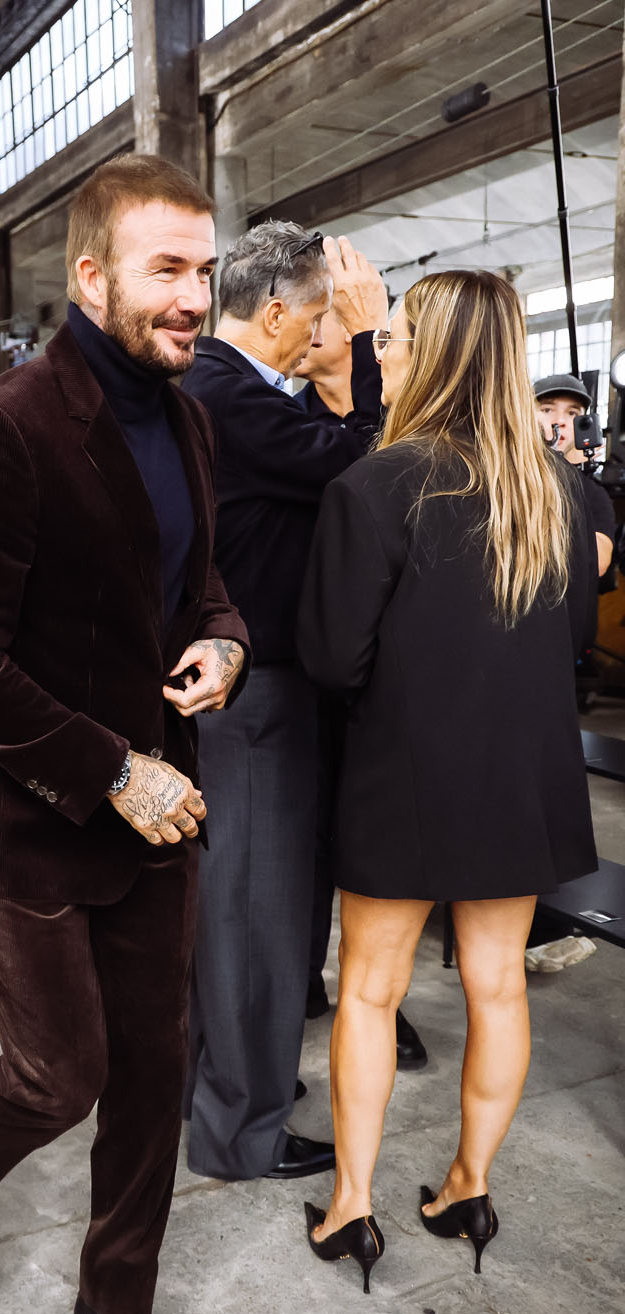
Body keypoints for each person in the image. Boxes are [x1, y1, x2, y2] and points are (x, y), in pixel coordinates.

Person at [0, 154, 250, 1314]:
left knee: (154, 1070)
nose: (195, 297)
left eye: (205, 270)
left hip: (162, 817)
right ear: (94, 276)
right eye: (168, 270)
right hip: (31, 825)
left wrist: (223, 643)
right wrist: (112, 769)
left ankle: (114, 1303)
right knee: (62, 1076)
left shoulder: (189, 418)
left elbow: (203, 587)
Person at [296, 271, 597, 1292]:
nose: (380, 351)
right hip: (522, 775)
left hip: (404, 773)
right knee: (498, 983)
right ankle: (468, 1187)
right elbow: (576, 636)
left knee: (369, 990)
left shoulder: (375, 485)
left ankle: (351, 1207)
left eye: (393, 336)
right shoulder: (554, 489)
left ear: (429, 353)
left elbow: (331, 658)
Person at [178, 224, 378, 1183]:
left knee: (239, 913)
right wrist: (370, 347)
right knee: (254, 916)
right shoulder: (228, 392)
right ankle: (241, 1132)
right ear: (272, 314)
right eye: (315, 316)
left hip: (250, 683)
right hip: (256, 693)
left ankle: (228, 1088)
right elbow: (363, 465)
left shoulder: (218, 385)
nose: (320, 334)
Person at [293, 306, 428, 1069]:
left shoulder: (399, 429)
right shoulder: (281, 419)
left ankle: (378, 1000)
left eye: (324, 316)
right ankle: (303, 982)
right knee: (306, 839)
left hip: (388, 681)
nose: (304, 329)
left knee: (377, 857)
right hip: (305, 660)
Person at [524, 373, 614, 975]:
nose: (558, 420)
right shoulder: (503, 479)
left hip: (552, 662)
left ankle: (543, 921)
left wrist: (567, 478)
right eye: (546, 408)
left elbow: (589, 565)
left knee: (546, 797)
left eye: (571, 412)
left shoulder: (589, 495)